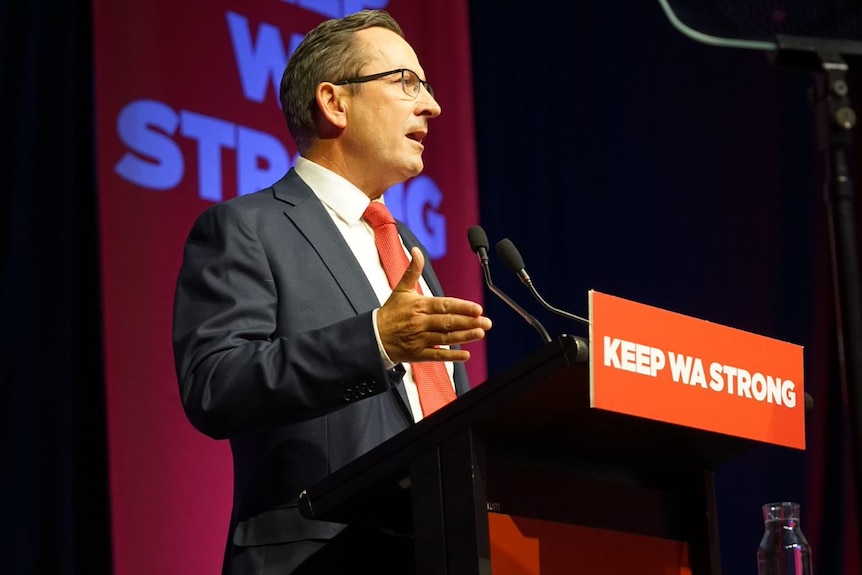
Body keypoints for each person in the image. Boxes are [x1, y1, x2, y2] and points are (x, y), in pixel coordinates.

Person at [172, 9, 492, 575]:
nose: (432, 106)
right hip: (316, 560)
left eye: (428, 87)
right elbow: (215, 383)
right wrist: (374, 340)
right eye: (405, 83)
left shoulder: (407, 248)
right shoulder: (246, 228)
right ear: (334, 102)